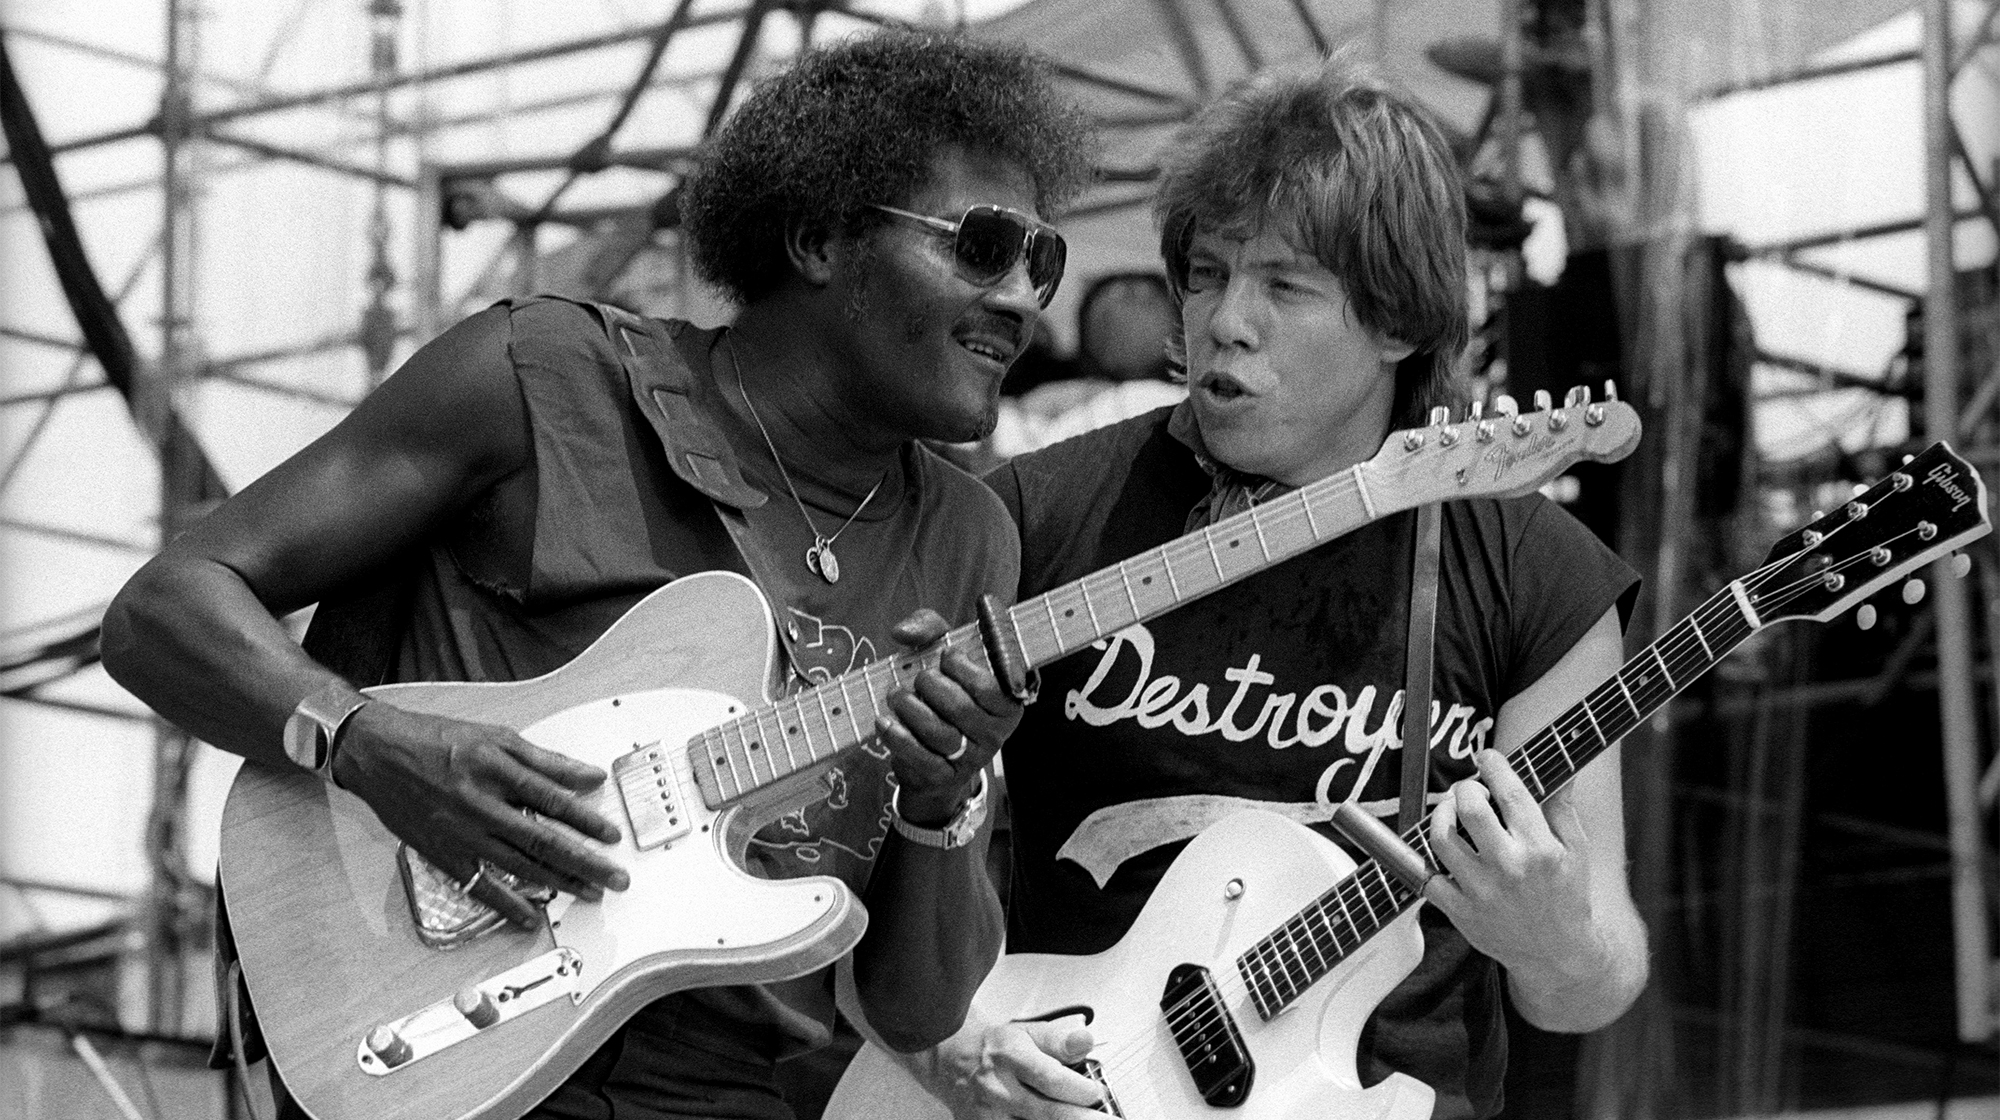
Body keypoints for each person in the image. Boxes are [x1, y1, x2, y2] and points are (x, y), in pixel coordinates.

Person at [100, 29, 1090, 1120]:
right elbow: (163, 610)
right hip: (437, 1060)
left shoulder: (967, 535)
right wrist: (362, 743)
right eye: (985, 243)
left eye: (1041, 262)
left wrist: (942, 800)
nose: (1022, 296)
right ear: (818, 237)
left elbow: (918, 1011)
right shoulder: (543, 378)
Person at [918, 60, 1650, 1120]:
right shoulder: (1041, 515)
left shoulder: (1539, 572)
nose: (1223, 321)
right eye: (1206, 274)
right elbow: (894, 859)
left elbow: (1594, 976)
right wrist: (955, 1046)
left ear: (1397, 320)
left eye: (1284, 285)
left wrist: (1552, 940)